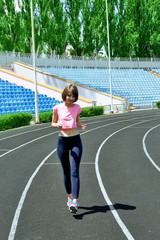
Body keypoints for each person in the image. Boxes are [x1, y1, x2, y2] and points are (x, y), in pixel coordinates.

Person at [52, 84, 86, 213]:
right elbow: (53, 122)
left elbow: (76, 121)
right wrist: (57, 125)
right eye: (68, 95)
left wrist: (81, 125)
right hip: (62, 141)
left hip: (76, 140)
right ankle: (70, 199)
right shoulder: (57, 108)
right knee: (66, 171)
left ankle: (75, 203)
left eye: (73, 96)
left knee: (75, 171)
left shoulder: (77, 108)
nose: (70, 98)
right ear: (65, 95)